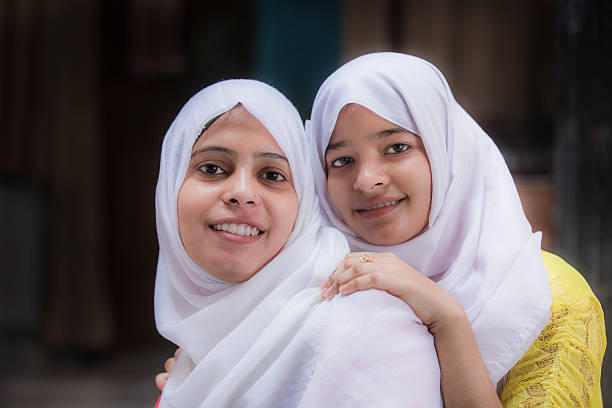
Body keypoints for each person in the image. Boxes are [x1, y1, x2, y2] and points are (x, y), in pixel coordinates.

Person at [310, 53, 606, 407]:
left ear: (445, 150)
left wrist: (448, 320)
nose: (367, 180)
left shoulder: (548, 297)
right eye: (341, 161)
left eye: (397, 147)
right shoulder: (311, 284)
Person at [153, 78, 443, 407]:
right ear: (168, 189)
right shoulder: (203, 347)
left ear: (305, 204)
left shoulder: (366, 330)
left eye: (273, 175)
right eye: (212, 168)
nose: (243, 193)